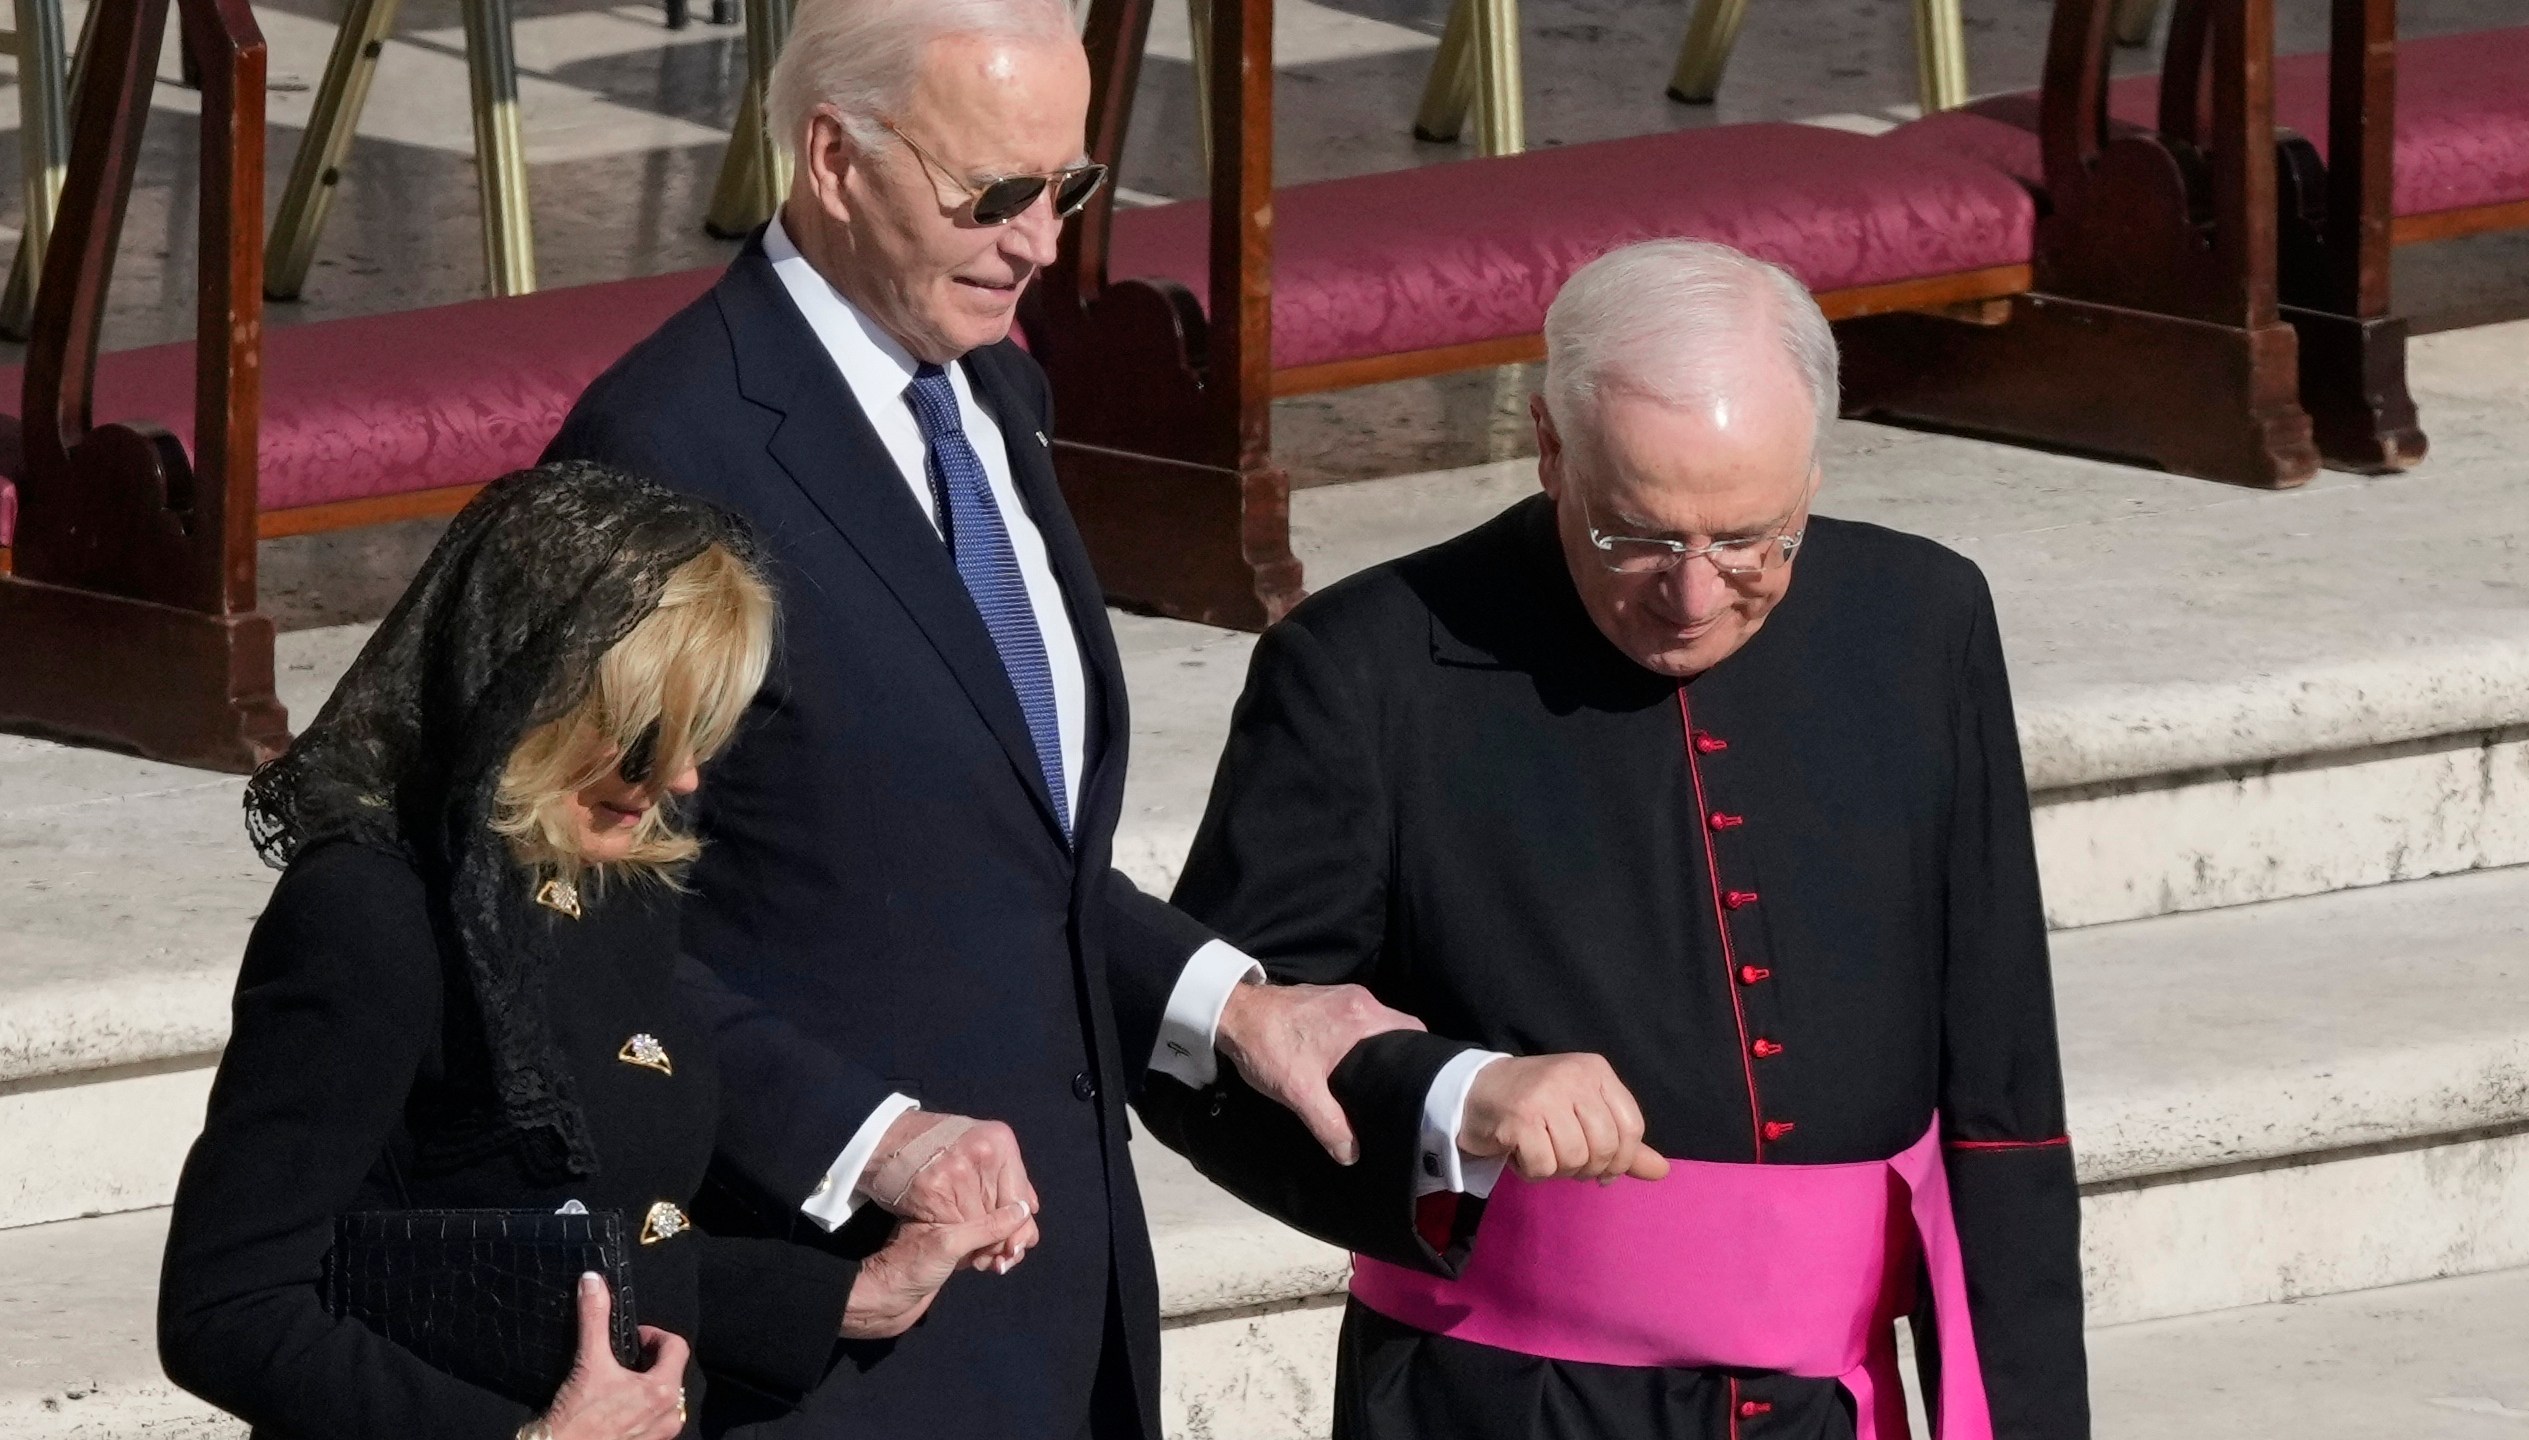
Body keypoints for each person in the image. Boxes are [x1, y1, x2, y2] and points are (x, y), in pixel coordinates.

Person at [541, 3, 1430, 1437]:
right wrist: (872, 1141)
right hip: (829, 1331)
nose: (1039, 244)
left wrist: (1231, 1004)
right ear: (834, 159)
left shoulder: (994, 388)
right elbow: (567, 916)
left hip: (1059, 1307)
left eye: (1067, 187)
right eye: (994, 192)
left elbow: (1002, 850)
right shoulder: (665, 449)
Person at [1156, 240, 2092, 1440]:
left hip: (1830, 1409)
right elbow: (1208, 1053)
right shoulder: (1363, 668)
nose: (1693, 596)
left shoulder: (1923, 619)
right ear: (1551, 446)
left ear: (1812, 472)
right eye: (1636, 535)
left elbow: (2006, 1090)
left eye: (1750, 539)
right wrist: (1453, 1095)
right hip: (1509, 1407)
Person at [158, 464, 1031, 1440]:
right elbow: (227, 1308)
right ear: (535, 689)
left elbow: (598, 1244)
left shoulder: (607, 881)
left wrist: (849, 1296)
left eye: (703, 734)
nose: (682, 776)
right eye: (648, 735)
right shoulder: (368, 916)